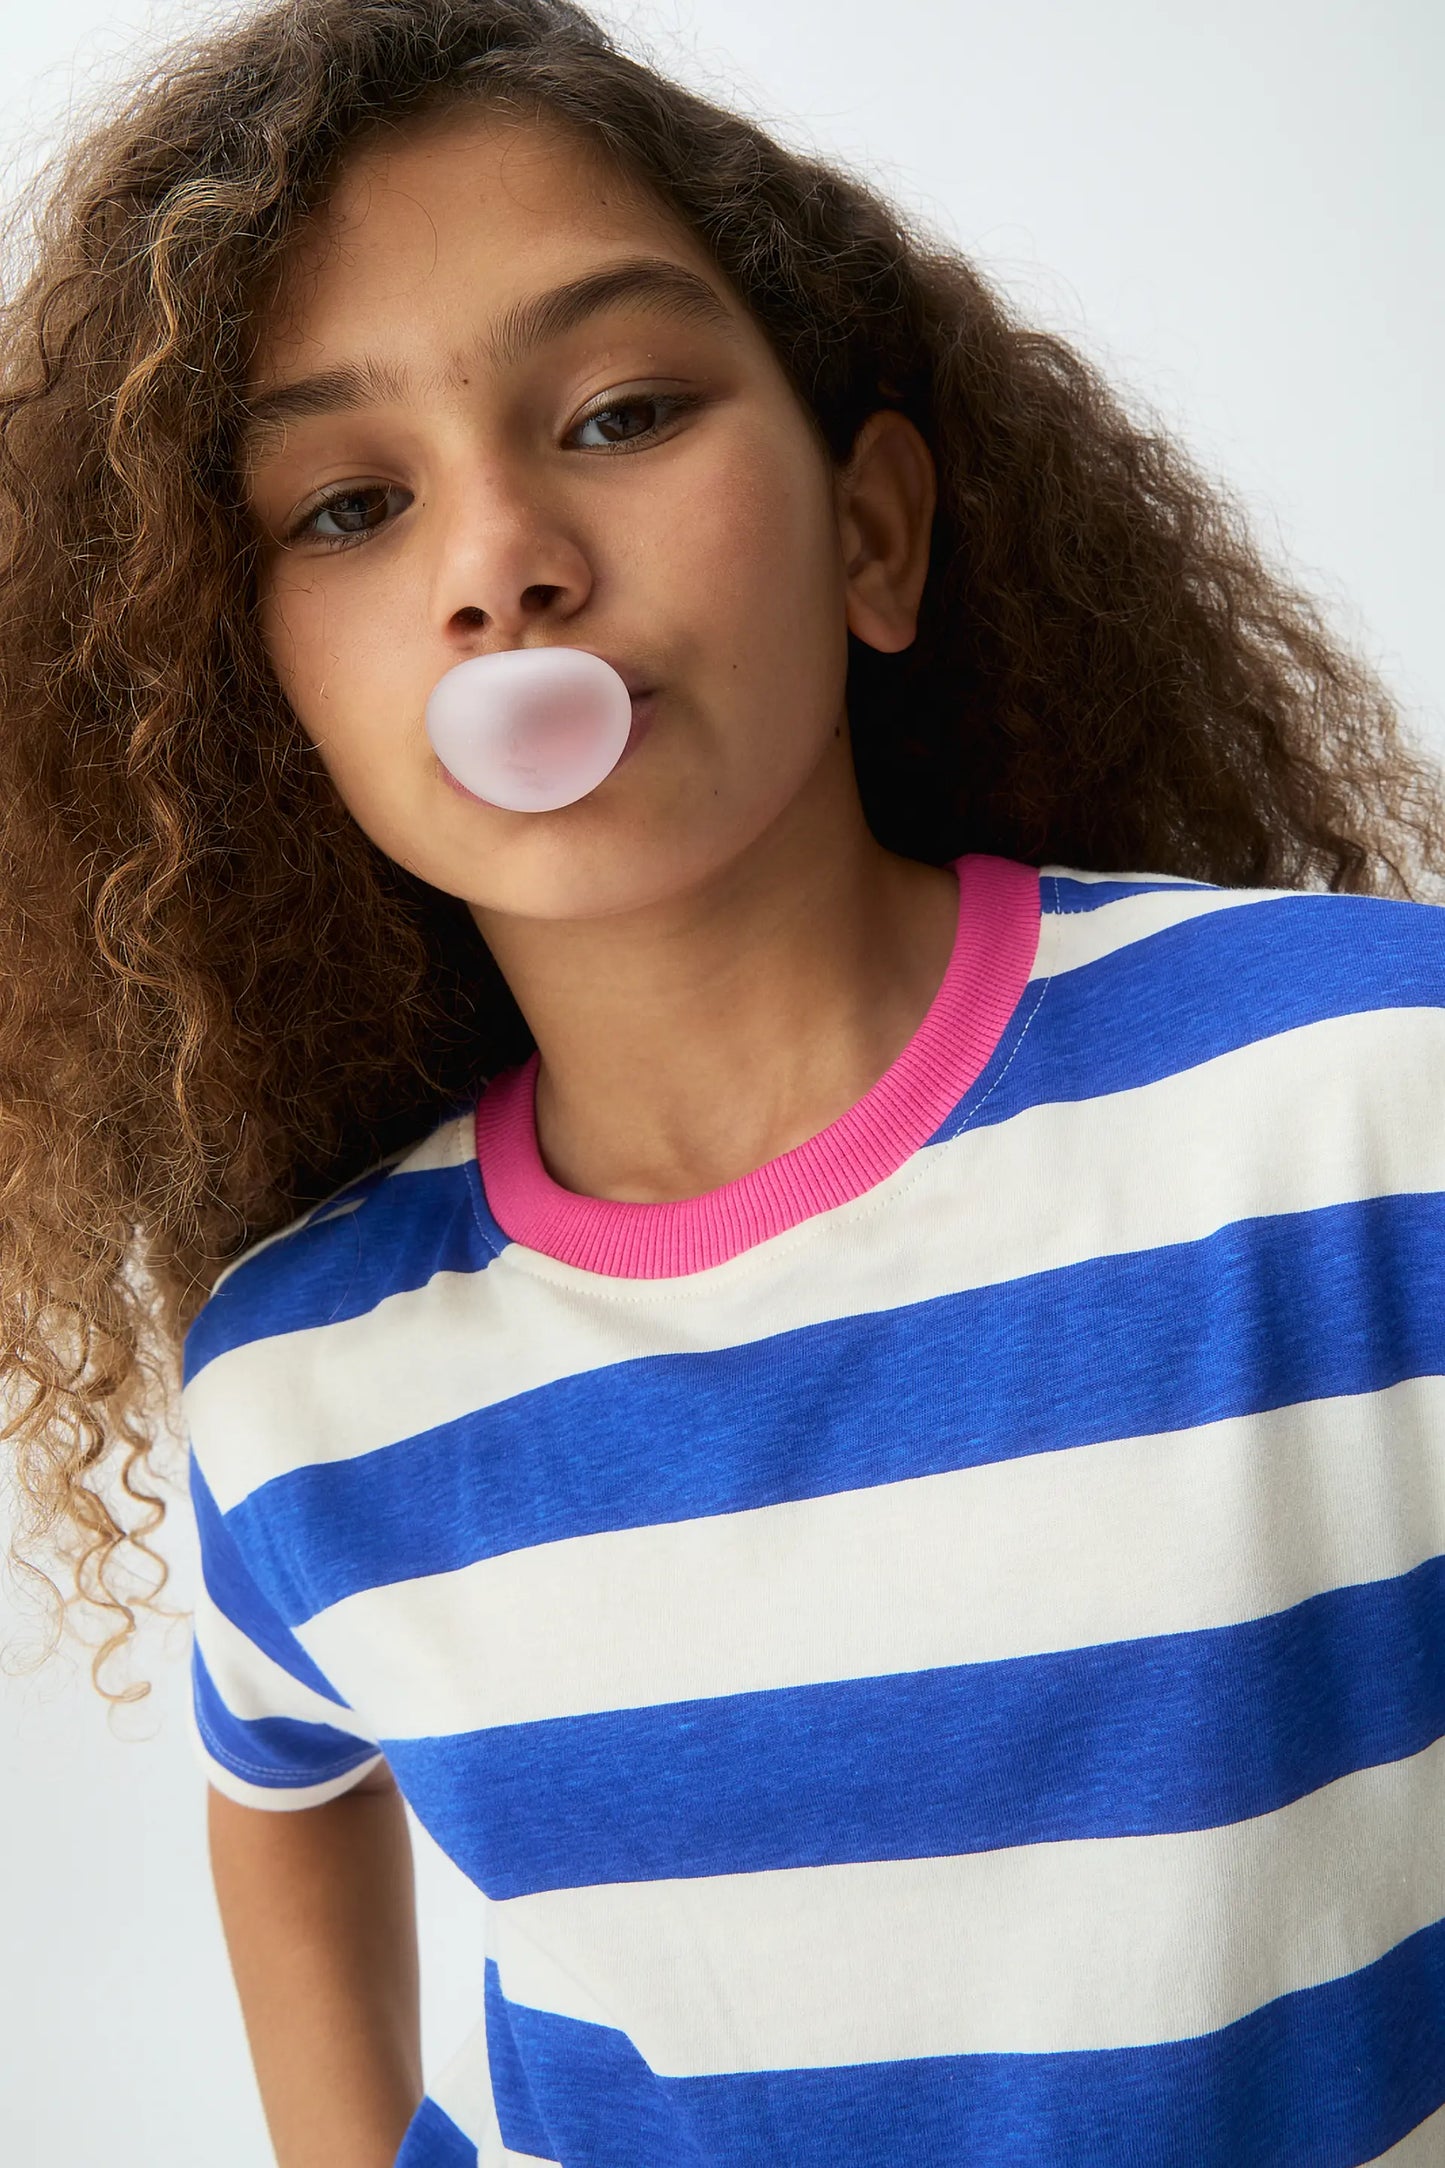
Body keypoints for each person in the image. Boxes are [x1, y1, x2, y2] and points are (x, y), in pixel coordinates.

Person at [2, 0, 1442, 2161]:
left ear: (874, 535)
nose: (502, 561)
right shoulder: (306, 1382)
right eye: (353, 505)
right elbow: (280, 1786)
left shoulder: (1365, 1101)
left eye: (623, 411)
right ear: (258, 703)